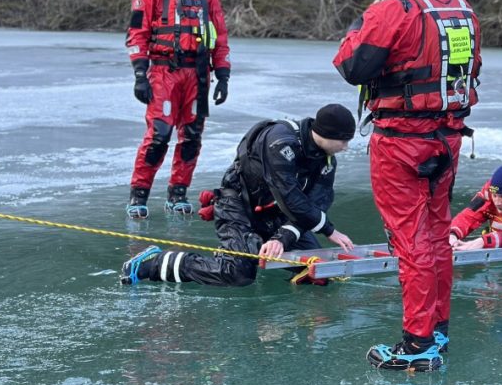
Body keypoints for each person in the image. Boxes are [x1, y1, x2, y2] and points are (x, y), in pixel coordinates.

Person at [333, 0, 481, 372]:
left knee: (411, 241)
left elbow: (352, 67)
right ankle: (438, 330)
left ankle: (417, 342)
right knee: (436, 237)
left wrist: (359, 23)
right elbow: (471, 69)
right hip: (447, 140)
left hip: (401, 143)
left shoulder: (392, 11)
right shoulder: (462, 9)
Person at [120, 104, 357, 287]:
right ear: (326, 133)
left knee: (315, 267)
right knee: (238, 273)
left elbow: (317, 203)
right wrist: (329, 231)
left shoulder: (326, 161)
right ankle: (153, 262)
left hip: (275, 212)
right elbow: (289, 195)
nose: (346, 147)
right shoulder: (280, 141)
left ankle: (252, 247)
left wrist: (281, 238)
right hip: (238, 204)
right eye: (343, 140)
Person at [125, 0, 231, 218]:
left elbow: (220, 37)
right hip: (164, 72)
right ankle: (139, 195)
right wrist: (140, 74)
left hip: (198, 74)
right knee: (159, 136)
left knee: (192, 137)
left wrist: (223, 75)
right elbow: (136, 33)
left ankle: (178, 194)